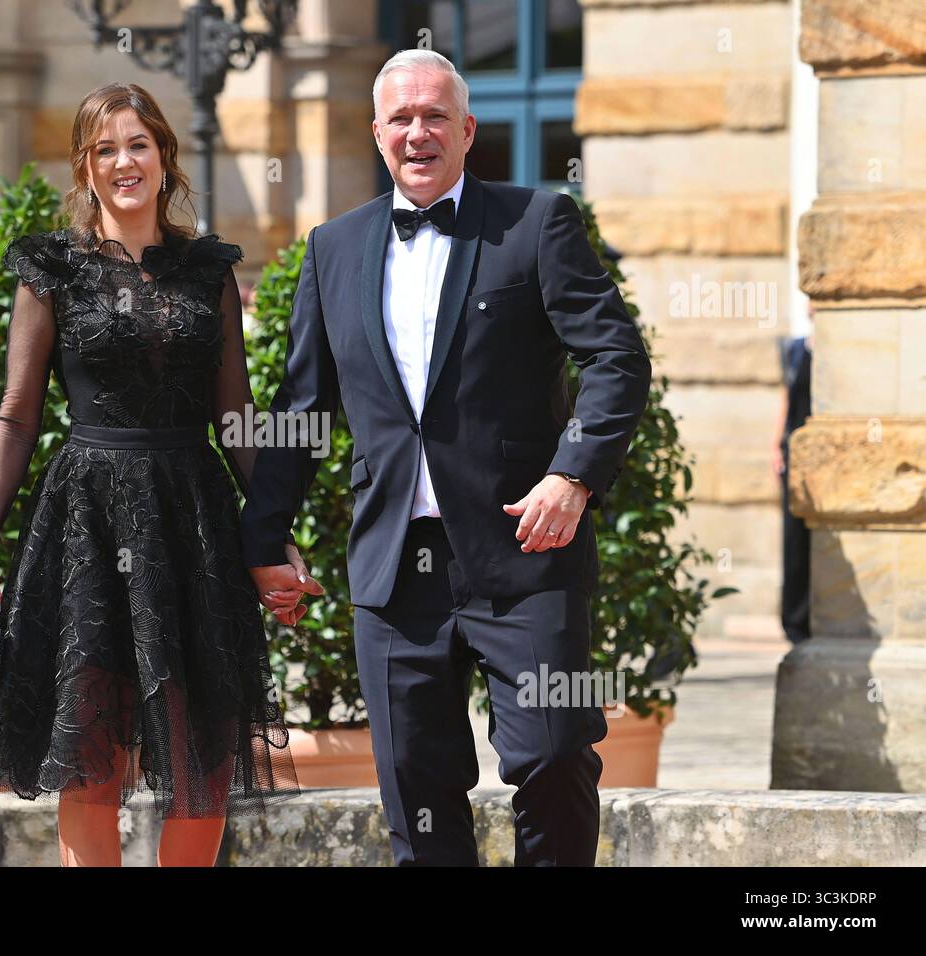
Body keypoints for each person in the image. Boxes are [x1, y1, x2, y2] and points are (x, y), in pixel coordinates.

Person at [240, 49, 653, 866]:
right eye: (401, 118)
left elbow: (616, 356)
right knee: (414, 785)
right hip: (397, 569)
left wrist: (572, 475)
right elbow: (303, 411)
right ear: (376, 133)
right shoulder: (331, 248)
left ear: (467, 130)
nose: (418, 132)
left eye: (435, 116)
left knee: (552, 752)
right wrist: (264, 539)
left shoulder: (536, 222)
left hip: (526, 555)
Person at [0, 82, 303, 867]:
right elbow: (17, 413)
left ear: (164, 158)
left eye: (138, 144)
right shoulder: (52, 268)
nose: (124, 161)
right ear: (85, 167)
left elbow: (236, 417)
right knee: (93, 752)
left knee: (204, 749)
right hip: (86, 521)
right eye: (105, 149)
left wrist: (275, 534)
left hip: (194, 521)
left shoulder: (207, 269)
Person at [773, 324, 812, 644]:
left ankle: (817, 618)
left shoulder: (837, 350)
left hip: (827, 455)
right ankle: (794, 622)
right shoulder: (797, 349)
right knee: (794, 541)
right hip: (795, 456)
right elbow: (787, 398)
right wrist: (775, 447)